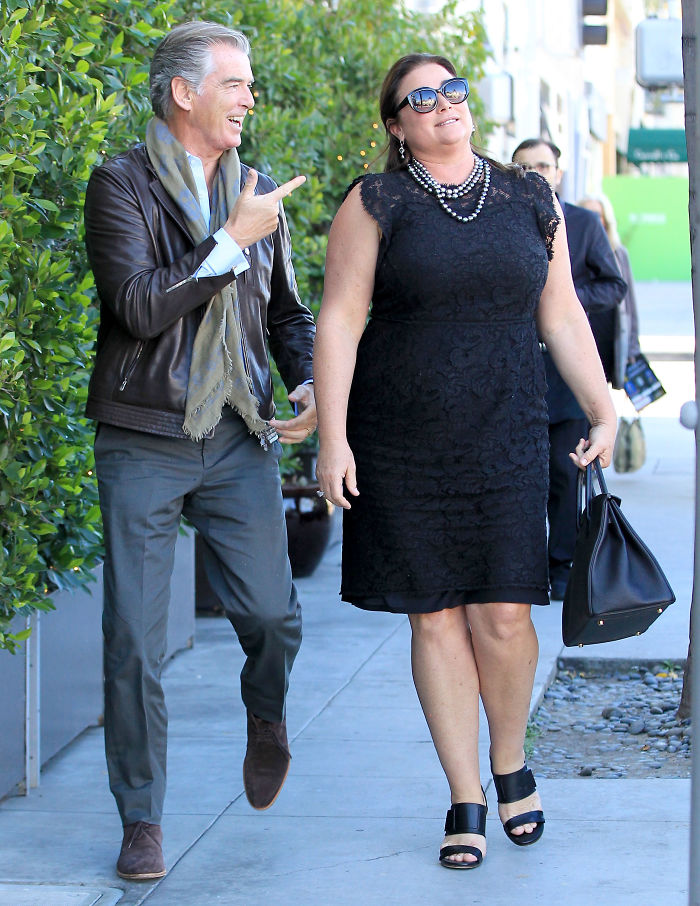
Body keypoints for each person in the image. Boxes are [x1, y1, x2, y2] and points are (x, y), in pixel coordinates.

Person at [314, 53, 616, 871]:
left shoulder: (528, 196)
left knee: (507, 614)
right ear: (397, 124)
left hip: (508, 428)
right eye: (423, 97)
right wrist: (332, 436)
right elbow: (339, 321)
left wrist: (604, 404)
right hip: (403, 435)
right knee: (435, 615)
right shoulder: (375, 201)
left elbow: (561, 314)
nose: (444, 103)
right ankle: (465, 793)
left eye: (453, 90)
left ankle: (510, 759)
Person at [83, 21, 316, 881]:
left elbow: (286, 311)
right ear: (184, 93)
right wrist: (230, 241)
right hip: (145, 436)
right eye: (236, 84)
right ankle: (141, 816)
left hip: (238, 433)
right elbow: (139, 307)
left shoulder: (257, 189)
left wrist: (306, 382)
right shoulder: (121, 183)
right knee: (134, 641)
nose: (251, 97)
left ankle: (267, 715)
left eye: (251, 84)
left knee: (271, 616)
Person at [511, 140, 627, 600]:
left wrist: (563, 303)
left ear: (558, 172)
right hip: (514, 374)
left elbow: (612, 284)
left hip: (565, 376)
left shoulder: (582, 221)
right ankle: (522, 568)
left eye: (543, 165)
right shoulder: (499, 220)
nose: (536, 172)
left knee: (564, 474)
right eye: (525, 167)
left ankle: (562, 569)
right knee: (519, 478)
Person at [578, 193, 642, 373]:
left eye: (598, 215)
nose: (593, 220)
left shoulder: (618, 252)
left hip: (609, 333)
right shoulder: (570, 251)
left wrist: (633, 346)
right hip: (581, 330)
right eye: (587, 213)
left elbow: (630, 302)